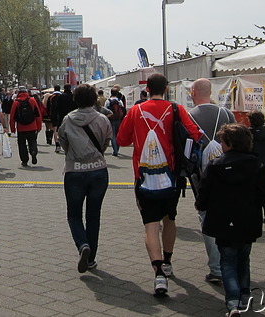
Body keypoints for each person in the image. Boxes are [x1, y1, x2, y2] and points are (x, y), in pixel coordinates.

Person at [116, 73, 200, 296]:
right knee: (170, 218)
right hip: (171, 175)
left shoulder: (136, 110)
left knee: (151, 225)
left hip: (143, 175)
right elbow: (195, 134)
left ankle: (159, 274)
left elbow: (121, 140)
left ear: (147, 88)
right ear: (166, 88)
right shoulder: (176, 109)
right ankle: (169, 261)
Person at [195, 124, 265, 316]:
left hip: (223, 222)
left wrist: (200, 205)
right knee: (244, 260)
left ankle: (233, 300)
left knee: (227, 261)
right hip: (248, 221)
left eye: (222, 141)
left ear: (228, 144)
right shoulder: (256, 165)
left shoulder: (215, 165)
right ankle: (244, 295)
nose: (220, 144)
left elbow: (204, 193)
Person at [58, 84, 112, 273]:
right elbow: (106, 141)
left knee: (74, 214)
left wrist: (73, 154)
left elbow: (62, 140)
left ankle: (82, 245)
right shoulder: (103, 119)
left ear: (76, 100)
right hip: (98, 171)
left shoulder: (68, 119)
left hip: (74, 172)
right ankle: (91, 258)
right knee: (93, 215)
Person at [189, 78, 237, 284]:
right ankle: (231, 263)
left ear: (193, 92)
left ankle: (216, 267)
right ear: (211, 92)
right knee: (229, 215)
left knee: (205, 216)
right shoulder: (226, 114)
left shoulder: (188, 116)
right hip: (228, 173)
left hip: (201, 176)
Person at [9, 86, 43, 167]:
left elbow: (12, 117)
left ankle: (24, 160)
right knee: (32, 141)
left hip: (21, 127)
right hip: (32, 126)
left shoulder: (16, 102)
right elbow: (38, 114)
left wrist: (13, 128)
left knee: (22, 145)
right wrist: (39, 127)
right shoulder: (32, 100)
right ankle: (33, 151)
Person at [51, 84, 76, 153]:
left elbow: (57, 107)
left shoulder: (61, 96)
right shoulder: (73, 96)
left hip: (62, 116)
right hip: (72, 117)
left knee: (60, 131)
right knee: (72, 131)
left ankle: (58, 145)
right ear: (70, 88)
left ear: (64, 88)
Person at [106, 88, 125, 156]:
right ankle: (117, 148)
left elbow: (106, 110)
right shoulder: (120, 101)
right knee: (118, 134)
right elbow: (123, 110)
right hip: (118, 119)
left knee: (113, 135)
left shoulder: (108, 101)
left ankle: (115, 150)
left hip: (111, 119)